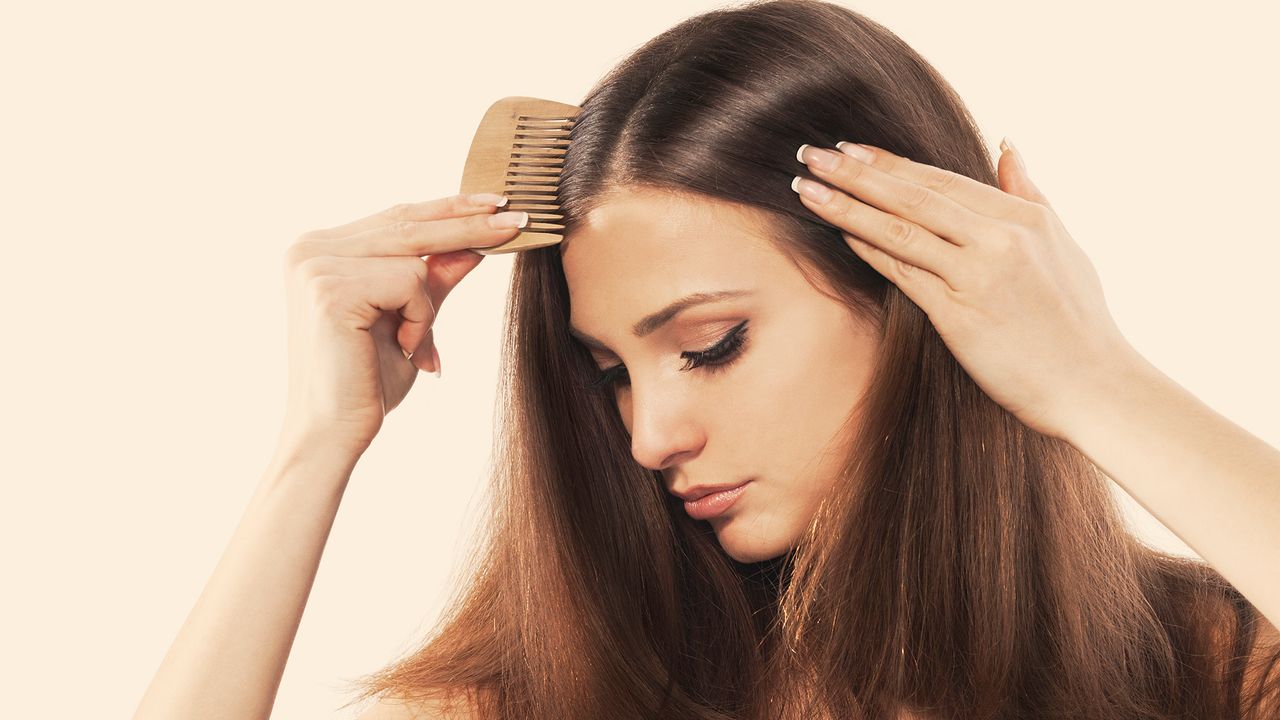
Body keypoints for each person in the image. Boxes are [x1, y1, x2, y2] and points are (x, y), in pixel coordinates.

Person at [132, 1, 1280, 718]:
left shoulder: (1204, 668)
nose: (648, 437)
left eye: (708, 346)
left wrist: (1095, 382)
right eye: (610, 375)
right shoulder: (522, 703)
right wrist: (311, 451)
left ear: (918, 298)